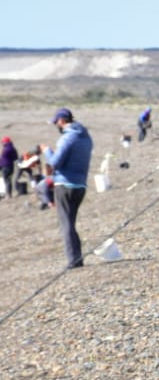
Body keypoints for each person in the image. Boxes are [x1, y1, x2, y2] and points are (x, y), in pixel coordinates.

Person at [46, 108, 94, 268]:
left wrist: (47, 151)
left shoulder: (67, 138)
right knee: (70, 224)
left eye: (56, 123)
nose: (56, 126)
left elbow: (54, 163)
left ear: (61, 121)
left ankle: (74, 260)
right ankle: (77, 258)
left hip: (65, 184)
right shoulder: (86, 137)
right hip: (81, 184)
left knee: (66, 224)